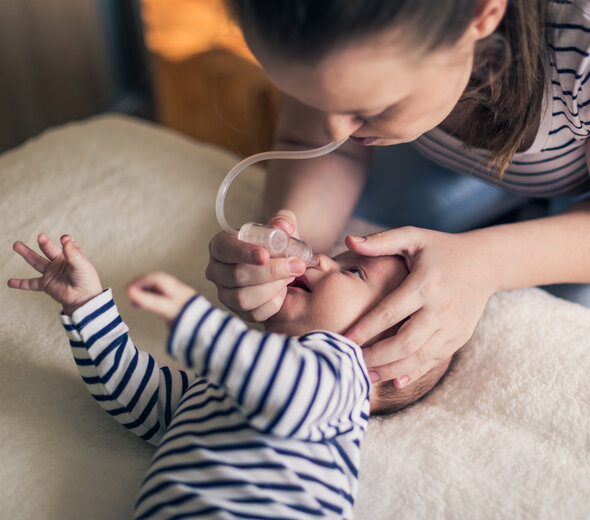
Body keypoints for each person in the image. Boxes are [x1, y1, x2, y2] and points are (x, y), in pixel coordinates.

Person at [207, 0, 590, 391]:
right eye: (315, 100)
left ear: (482, 15)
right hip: (432, 160)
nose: (334, 128)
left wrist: (484, 264)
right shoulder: (324, 28)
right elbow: (325, 146)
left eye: (369, 107)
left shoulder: (581, 51)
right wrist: (284, 251)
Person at [8, 233, 452, 519]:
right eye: (336, 257)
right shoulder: (231, 373)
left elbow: (284, 388)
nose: (320, 260)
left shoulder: (343, 372)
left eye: (354, 271)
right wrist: (86, 308)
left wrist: (197, 322)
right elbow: (142, 400)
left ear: (394, 351)